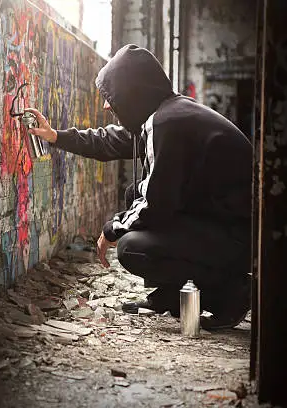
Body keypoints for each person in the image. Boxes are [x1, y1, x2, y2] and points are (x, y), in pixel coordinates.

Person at [25, 44, 252, 329]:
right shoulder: (168, 113)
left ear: (132, 92)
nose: (107, 105)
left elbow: (157, 204)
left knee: (131, 247)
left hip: (241, 239)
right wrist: (55, 135)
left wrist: (112, 229)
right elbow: (109, 141)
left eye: (112, 96)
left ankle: (231, 292)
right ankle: (174, 293)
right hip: (226, 226)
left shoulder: (169, 122)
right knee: (133, 195)